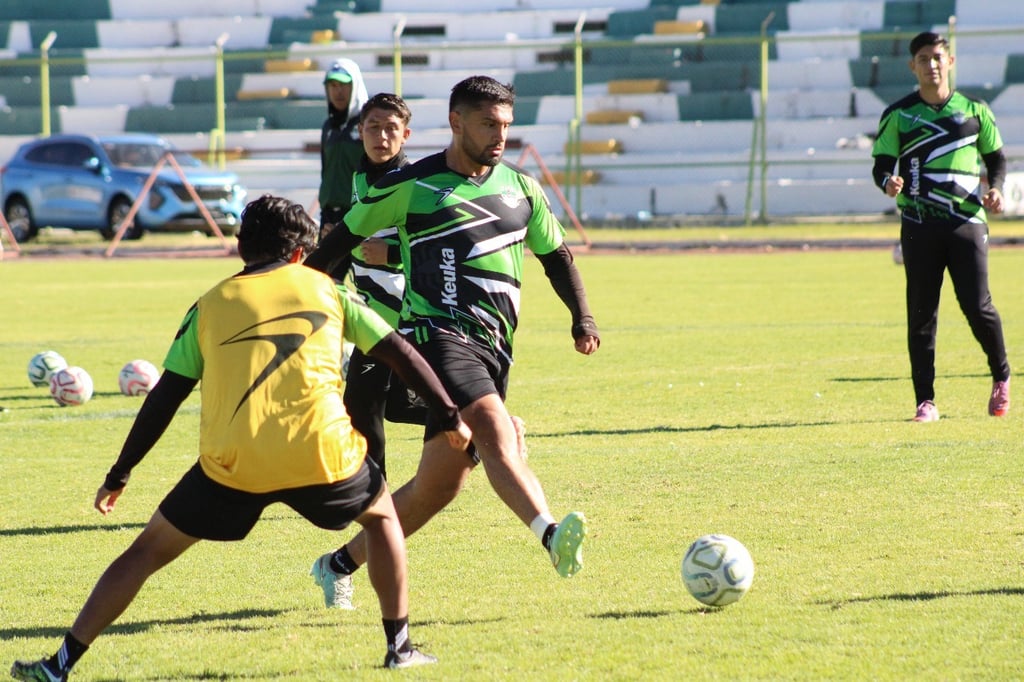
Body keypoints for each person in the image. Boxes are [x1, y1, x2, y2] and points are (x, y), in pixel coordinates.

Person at [9, 195, 472, 680]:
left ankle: (60, 665)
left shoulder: (208, 305)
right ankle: (399, 648)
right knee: (382, 521)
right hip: (321, 453)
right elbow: (402, 354)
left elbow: (164, 398)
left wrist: (119, 473)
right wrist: (447, 416)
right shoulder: (326, 290)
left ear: (240, 247)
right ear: (300, 254)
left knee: (144, 552)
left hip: (232, 463)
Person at [304, 75, 600, 610]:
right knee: (491, 427)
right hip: (435, 336)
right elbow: (338, 245)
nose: (500, 135)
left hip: (495, 348)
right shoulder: (409, 186)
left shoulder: (520, 189)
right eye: (489, 124)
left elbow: (558, 258)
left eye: (506, 124)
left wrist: (583, 318)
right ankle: (552, 535)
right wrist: (298, 307)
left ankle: (336, 564)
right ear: (456, 122)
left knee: (438, 487)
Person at [872, 31, 1010, 423]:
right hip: (918, 224)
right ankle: (925, 401)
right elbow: (882, 164)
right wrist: (888, 181)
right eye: (923, 58)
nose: (931, 64)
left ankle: (1001, 375)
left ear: (949, 62)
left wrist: (996, 189)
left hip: (966, 222)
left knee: (977, 306)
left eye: (937, 57)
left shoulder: (974, 110)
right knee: (921, 312)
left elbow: (996, 159)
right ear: (912, 66)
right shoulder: (898, 115)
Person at [318, 58, 367, 257]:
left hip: (359, 214)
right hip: (329, 215)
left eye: (344, 85)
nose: (338, 91)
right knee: (322, 278)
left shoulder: (368, 122)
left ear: (355, 85)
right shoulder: (328, 127)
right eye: (333, 85)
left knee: (365, 277)